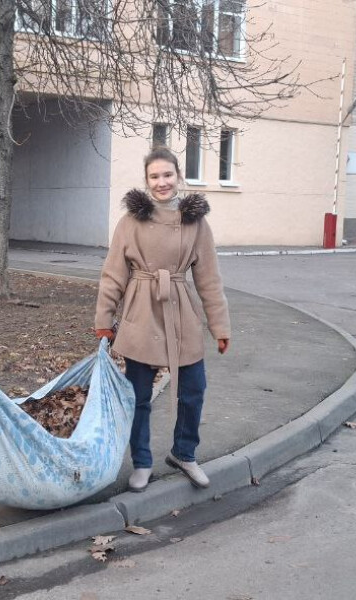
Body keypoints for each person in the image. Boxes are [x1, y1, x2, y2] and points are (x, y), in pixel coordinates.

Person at [94, 146, 231, 494]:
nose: (162, 182)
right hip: (141, 310)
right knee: (139, 396)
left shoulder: (196, 223)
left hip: (181, 310)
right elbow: (113, 275)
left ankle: (184, 453)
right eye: (155, 176)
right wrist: (104, 318)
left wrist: (220, 327)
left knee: (193, 390)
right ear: (146, 180)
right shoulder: (130, 222)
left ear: (178, 176)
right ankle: (141, 462)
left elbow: (210, 280)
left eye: (168, 175)